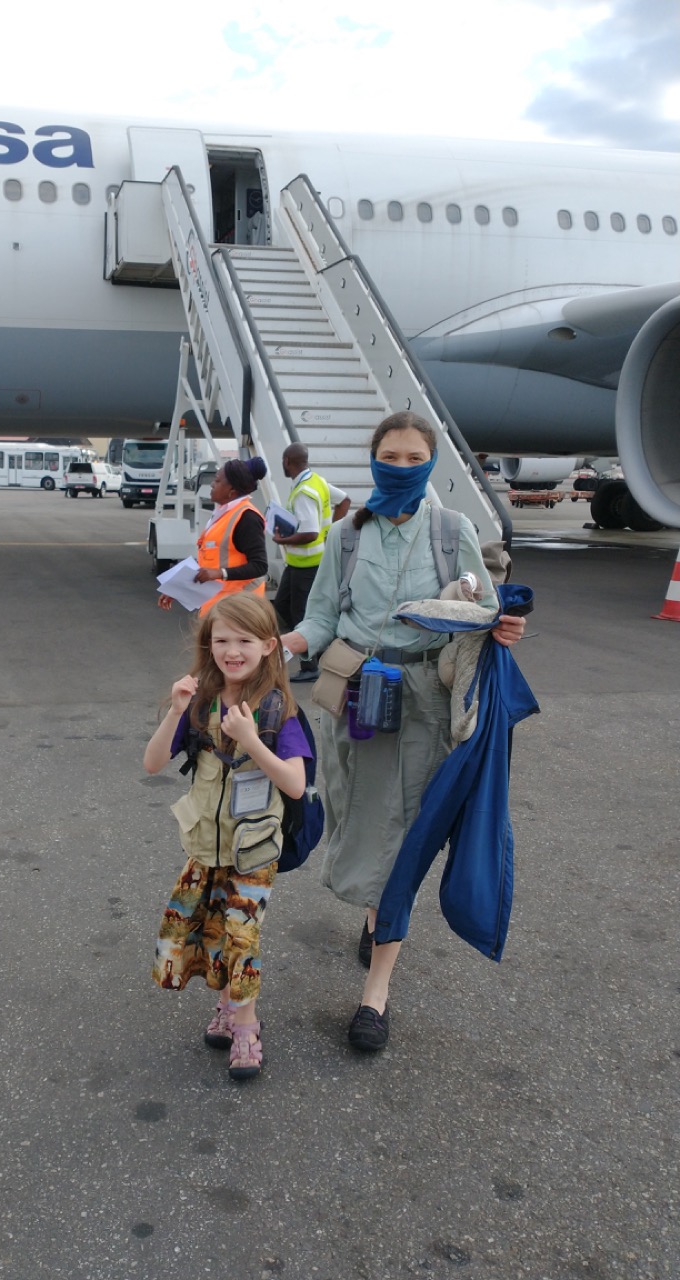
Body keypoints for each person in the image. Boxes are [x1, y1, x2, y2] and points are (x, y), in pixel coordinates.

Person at [281, 412, 525, 1052]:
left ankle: (376, 995)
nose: (401, 465)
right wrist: (281, 644)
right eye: (390, 455)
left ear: (431, 462)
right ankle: (374, 913)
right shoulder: (345, 536)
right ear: (373, 460)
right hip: (355, 697)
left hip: (423, 701)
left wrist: (503, 624)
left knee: (404, 834)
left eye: (414, 457)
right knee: (360, 820)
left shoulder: (453, 530)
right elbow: (322, 617)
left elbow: (482, 608)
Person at [144, 594, 311, 1081]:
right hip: (204, 847)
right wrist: (175, 712)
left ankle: (246, 1027)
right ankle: (225, 1006)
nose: (232, 651)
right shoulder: (199, 701)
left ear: (267, 646)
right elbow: (153, 764)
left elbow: (295, 783)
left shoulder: (278, 708)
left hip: (253, 854)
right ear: (207, 644)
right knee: (210, 933)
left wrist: (253, 739)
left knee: (242, 937)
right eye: (221, 640)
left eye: (244, 640)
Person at [272, 443, 350, 682]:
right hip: (300, 563)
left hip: (307, 564)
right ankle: (322, 650)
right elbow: (345, 501)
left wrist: (282, 539)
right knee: (283, 605)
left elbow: (310, 533)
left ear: (287, 461)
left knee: (301, 614)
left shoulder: (305, 491)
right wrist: (332, 531)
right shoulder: (316, 481)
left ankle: (310, 666)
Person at [157, 457, 269, 615]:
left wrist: (220, 573)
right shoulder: (223, 513)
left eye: (217, 480)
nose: (212, 484)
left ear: (232, 490)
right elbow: (209, 560)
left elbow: (260, 566)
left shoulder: (247, 518)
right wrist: (178, 589)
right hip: (218, 608)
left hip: (239, 611)